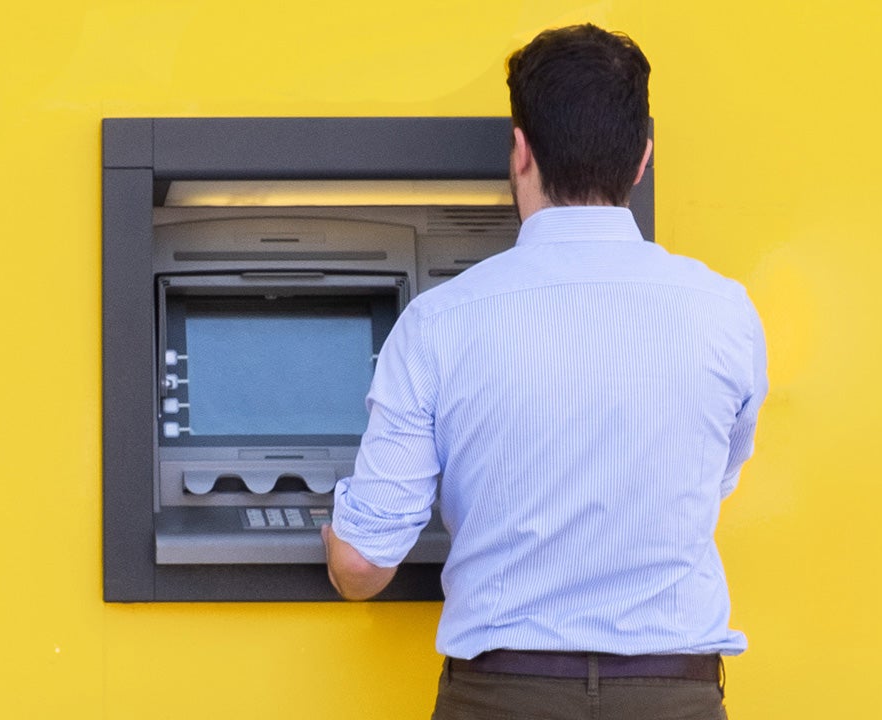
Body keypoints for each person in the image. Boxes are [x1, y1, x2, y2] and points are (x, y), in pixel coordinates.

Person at [322, 24, 766, 720]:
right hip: (671, 695)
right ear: (642, 158)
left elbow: (360, 568)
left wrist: (327, 527)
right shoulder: (725, 314)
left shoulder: (441, 320)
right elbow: (713, 478)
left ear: (520, 151)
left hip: (502, 696)